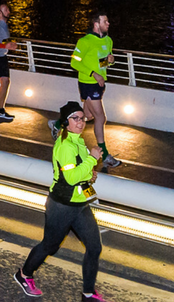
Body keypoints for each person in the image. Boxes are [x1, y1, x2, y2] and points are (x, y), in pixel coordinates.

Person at [15, 101, 105, 300]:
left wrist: (89, 174)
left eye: (82, 118)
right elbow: (71, 178)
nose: (80, 122)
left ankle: (88, 293)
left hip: (80, 203)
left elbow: (77, 173)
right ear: (66, 122)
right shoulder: (65, 145)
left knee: (94, 247)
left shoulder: (78, 141)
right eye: (75, 118)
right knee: (50, 245)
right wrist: (92, 159)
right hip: (62, 205)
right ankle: (24, 274)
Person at [69, 12, 120, 168]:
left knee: (88, 116)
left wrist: (110, 61)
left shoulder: (108, 40)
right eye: (105, 21)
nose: (108, 23)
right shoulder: (84, 41)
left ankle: (60, 124)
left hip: (99, 83)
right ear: (96, 24)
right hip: (88, 82)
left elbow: (102, 63)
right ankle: (103, 154)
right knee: (100, 117)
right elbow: (74, 62)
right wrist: (94, 74)